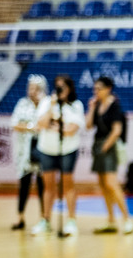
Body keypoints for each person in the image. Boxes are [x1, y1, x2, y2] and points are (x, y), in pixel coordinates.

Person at [32, 74, 85, 237]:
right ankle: (45, 220)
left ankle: (71, 220)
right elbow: (40, 124)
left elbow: (71, 130)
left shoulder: (76, 105)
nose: (61, 89)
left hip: (67, 150)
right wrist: (52, 107)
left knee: (67, 184)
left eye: (64, 86)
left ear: (70, 88)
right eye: (58, 86)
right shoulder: (47, 102)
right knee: (48, 186)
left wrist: (56, 125)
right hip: (47, 149)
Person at [87, 76, 133, 235]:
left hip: (109, 147)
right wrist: (91, 107)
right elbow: (88, 126)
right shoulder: (97, 104)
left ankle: (127, 220)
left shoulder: (115, 105)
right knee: (103, 184)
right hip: (98, 145)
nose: (96, 92)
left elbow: (117, 130)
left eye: (99, 88)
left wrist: (105, 147)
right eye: (94, 89)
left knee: (112, 184)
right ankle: (111, 221)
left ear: (108, 89)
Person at [11, 75, 47, 231]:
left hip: (43, 149)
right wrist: (31, 127)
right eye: (30, 87)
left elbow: (47, 124)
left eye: (34, 88)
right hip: (25, 151)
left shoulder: (46, 104)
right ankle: (20, 217)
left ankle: (44, 218)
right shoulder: (22, 104)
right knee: (24, 184)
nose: (31, 90)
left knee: (42, 185)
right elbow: (15, 124)